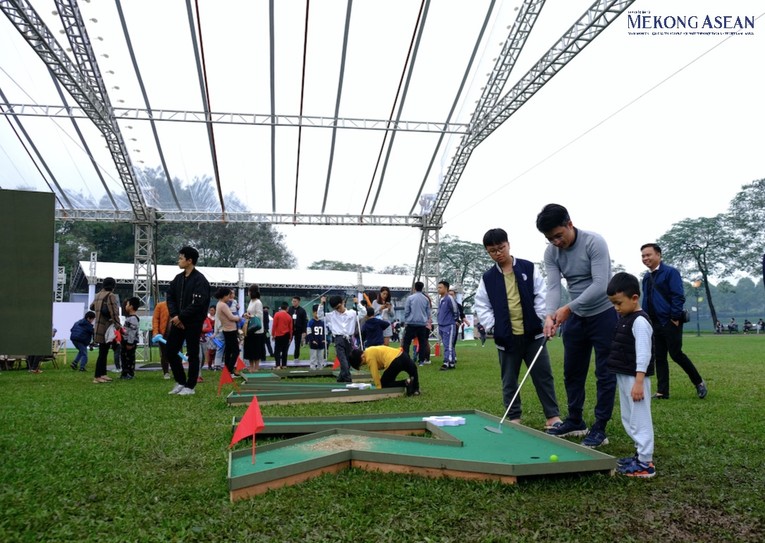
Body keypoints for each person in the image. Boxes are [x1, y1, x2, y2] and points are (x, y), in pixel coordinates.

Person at [536, 203, 617, 448]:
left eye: (559, 235)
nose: (556, 242)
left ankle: (599, 428)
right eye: (550, 239)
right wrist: (550, 315)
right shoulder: (551, 252)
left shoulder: (594, 242)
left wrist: (568, 308)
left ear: (570, 224)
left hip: (603, 314)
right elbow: (552, 286)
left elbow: (601, 284)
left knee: (605, 373)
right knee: (572, 372)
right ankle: (575, 420)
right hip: (576, 318)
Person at [473, 228, 562, 430]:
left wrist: (541, 317)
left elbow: (541, 293)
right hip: (507, 337)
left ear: (508, 244)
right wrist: (493, 326)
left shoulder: (528, 268)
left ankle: (553, 416)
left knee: (543, 376)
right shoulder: (488, 278)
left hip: (533, 334)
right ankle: (514, 417)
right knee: (509, 379)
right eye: (492, 251)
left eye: (501, 248)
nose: (498, 253)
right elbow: (482, 304)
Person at [640, 243, 707, 400]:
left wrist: (675, 317)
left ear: (658, 255)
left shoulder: (671, 272)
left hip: (670, 321)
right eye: (643, 256)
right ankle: (663, 391)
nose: (645, 258)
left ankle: (699, 383)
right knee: (659, 357)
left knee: (676, 354)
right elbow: (646, 299)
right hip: (653, 323)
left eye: (648, 255)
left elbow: (678, 295)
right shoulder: (646, 277)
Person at [606, 272, 656, 478]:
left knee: (640, 418)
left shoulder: (640, 322)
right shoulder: (626, 318)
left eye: (619, 303)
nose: (616, 308)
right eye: (613, 304)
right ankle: (639, 455)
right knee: (629, 417)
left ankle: (646, 463)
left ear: (634, 298)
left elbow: (644, 353)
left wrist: (638, 381)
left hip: (637, 378)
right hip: (626, 375)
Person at [166, 246, 211, 396]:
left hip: (193, 323)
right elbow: (170, 297)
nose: (178, 261)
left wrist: (182, 317)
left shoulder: (200, 280)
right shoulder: (178, 279)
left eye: (181, 258)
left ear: (189, 260)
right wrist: (174, 316)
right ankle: (180, 381)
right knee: (170, 350)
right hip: (177, 322)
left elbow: (198, 304)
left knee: (192, 353)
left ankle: (190, 386)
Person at [349, 345, 420, 396]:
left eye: (361, 364)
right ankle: (416, 390)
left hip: (394, 361)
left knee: (385, 384)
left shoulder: (369, 357)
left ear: (362, 357)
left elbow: (375, 374)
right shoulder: (370, 350)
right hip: (402, 355)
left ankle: (406, 382)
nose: (364, 364)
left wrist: (379, 388)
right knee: (413, 369)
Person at [318, 295, 358, 383]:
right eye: (336, 308)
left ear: (343, 302)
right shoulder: (332, 315)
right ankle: (348, 379)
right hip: (338, 339)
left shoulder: (352, 313)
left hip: (349, 339)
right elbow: (320, 316)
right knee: (342, 359)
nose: (338, 310)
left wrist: (357, 303)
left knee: (348, 359)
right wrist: (321, 304)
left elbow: (363, 312)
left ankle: (341, 378)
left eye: (339, 307)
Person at [90, 276, 121, 384]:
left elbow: (91, 307)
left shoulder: (98, 295)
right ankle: (97, 376)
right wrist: (118, 326)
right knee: (103, 352)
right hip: (107, 327)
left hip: (98, 326)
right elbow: (114, 312)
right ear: (113, 286)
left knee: (104, 351)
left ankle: (103, 374)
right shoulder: (110, 295)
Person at [402, 281, 431, 367]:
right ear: (422, 288)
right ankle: (421, 361)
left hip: (411, 323)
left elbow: (407, 310)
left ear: (415, 288)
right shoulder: (426, 299)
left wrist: (407, 319)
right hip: (422, 324)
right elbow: (428, 312)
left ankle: (406, 359)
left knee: (406, 342)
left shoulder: (410, 298)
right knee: (422, 343)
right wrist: (425, 320)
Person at [215, 287, 242, 376]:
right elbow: (231, 317)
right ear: (224, 296)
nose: (229, 297)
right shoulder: (223, 305)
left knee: (229, 351)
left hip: (226, 329)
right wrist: (239, 318)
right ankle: (230, 370)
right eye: (228, 295)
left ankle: (227, 370)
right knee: (235, 351)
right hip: (230, 329)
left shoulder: (219, 304)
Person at [436, 280, 459, 371]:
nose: (438, 289)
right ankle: (452, 363)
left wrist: (455, 320)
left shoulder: (449, 298)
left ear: (446, 288)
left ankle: (447, 362)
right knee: (446, 344)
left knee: (448, 345)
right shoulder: (440, 299)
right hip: (441, 325)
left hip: (449, 325)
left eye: (440, 287)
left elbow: (455, 310)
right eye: (438, 287)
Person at [243, 284, 266, 371]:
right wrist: (246, 315)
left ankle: (256, 367)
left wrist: (250, 316)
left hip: (257, 330)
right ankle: (251, 366)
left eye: (249, 291)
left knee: (256, 349)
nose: (248, 293)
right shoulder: (251, 301)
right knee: (250, 349)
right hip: (250, 329)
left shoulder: (258, 302)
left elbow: (259, 315)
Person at [119, 297, 142, 380]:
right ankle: (125, 373)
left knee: (129, 358)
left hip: (129, 342)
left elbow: (132, 332)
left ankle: (129, 373)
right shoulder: (130, 318)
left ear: (131, 306)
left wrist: (130, 343)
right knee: (124, 358)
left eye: (127, 304)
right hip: (126, 341)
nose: (126, 306)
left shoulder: (133, 318)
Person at [152, 297, 171, 379]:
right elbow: (155, 319)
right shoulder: (160, 305)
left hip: (176, 334)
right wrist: (156, 332)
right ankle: (166, 372)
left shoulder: (179, 305)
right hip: (163, 334)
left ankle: (176, 371)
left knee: (176, 353)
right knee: (164, 354)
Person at [271, 302, 293, 369]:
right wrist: (290, 337)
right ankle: (284, 365)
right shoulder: (289, 316)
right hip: (286, 335)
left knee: (277, 351)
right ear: (287, 308)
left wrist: (273, 334)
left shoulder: (277, 314)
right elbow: (290, 328)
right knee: (284, 351)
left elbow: (274, 325)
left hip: (278, 335)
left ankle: (278, 365)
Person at [288, 296, 308, 361]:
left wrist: (304, 331)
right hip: (290, 329)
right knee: (287, 343)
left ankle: (296, 357)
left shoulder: (302, 310)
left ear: (298, 302)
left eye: (295, 301)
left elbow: (304, 322)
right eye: (292, 301)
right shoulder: (289, 309)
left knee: (297, 344)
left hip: (299, 330)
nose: (293, 302)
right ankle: (283, 356)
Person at [306, 304, 326, 370]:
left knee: (321, 357)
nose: (317, 314)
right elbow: (309, 332)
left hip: (321, 342)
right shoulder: (310, 322)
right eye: (316, 313)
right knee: (313, 357)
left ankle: (320, 368)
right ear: (313, 313)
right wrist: (312, 340)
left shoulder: (322, 322)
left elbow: (325, 332)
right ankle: (312, 368)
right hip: (313, 342)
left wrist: (324, 339)